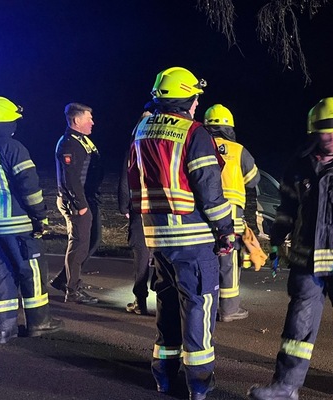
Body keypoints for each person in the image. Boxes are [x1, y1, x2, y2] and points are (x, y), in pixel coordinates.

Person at [247, 97, 333, 400]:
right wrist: (274, 243)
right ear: (314, 132)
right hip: (305, 262)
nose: (330, 136)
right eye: (323, 131)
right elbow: (286, 209)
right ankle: (285, 387)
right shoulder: (299, 164)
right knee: (297, 327)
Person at [127, 66, 234, 400]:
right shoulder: (194, 133)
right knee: (198, 307)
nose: (197, 104)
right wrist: (225, 230)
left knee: (168, 307)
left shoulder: (141, 129)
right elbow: (209, 190)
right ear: (187, 98)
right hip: (192, 238)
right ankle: (199, 384)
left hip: (157, 238)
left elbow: (133, 179)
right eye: (196, 98)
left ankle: (163, 375)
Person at [0, 96, 64, 344]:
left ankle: (4, 331)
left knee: (0, 274)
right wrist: (40, 217)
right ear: (7, 121)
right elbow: (29, 188)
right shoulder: (13, 148)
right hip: (17, 225)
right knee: (32, 272)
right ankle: (39, 323)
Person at [203, 103, 261, 322]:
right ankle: (229, 309)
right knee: (228, 263)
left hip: (203, 214)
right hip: (231, 215)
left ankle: (207, 306)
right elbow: (254, 180)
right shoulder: (238, 150)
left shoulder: (199, 145)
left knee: (206, 260)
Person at [49, 102, 103, 304]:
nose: (92, 122)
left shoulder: (82, 140)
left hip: (87, 199)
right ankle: (72, 290)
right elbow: (70, 178)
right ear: (77, 120)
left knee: (93, 240)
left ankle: (63, 280)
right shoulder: (69, 144)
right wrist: (80, 205)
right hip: (77, 203)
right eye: (89, 118)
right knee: (79, 245)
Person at [118, 108, 154, 315]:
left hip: (139, 209)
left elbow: (126, 179)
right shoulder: (163, 147)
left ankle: (140, 301)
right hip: (161, 208)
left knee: (141, 255)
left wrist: (124, 206)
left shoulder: (134, 148)